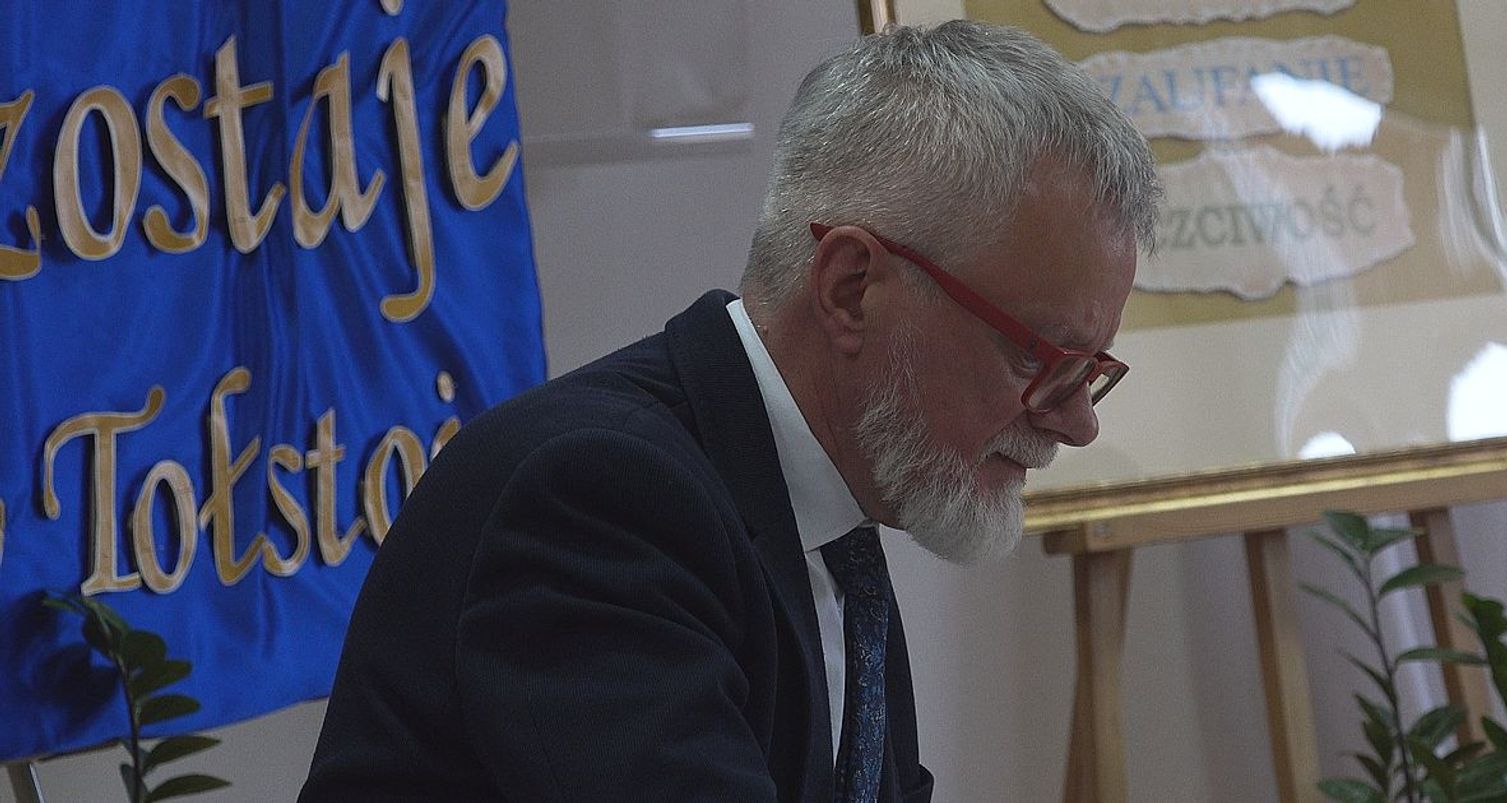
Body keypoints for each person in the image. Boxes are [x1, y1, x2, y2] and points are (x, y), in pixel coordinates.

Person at [300, 19, 1158, 803]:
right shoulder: (599, 498)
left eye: (1090, 370)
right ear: (851, 289)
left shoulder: (829, 517)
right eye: (1038, 356)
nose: (1077, 422)